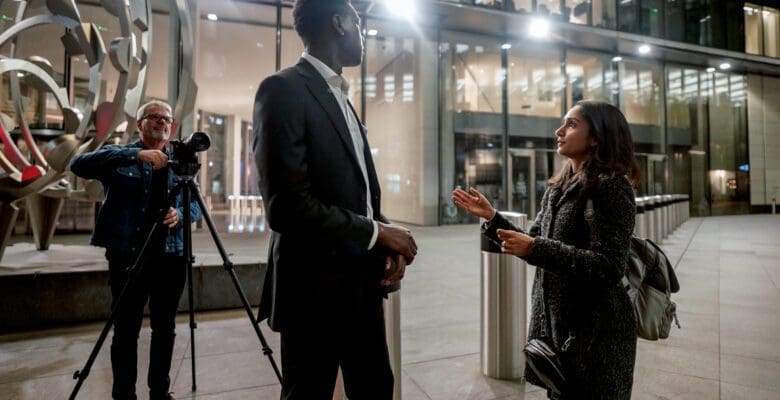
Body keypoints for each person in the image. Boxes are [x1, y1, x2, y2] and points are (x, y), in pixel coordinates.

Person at [252, 1, 418, 399]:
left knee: (377, 388)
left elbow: (355, 192)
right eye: (359, 23)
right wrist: (377, 232)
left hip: (361, 285)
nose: (364, 34)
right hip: (312, 292)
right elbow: (286, 207)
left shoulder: (341, 97)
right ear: (339, 22)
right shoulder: (283, 89)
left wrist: (382, 237)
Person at [452, 100, 640, 399]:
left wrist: (536, 248)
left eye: (572, 124)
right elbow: (533, 240)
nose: (559, 130)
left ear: (596, 137)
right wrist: (492, 217)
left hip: (597, 338)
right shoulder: (558, 187)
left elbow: (609, 266)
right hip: (559, 331)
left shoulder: (613, 187)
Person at [70, 100, 201, 400]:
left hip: (170, 256)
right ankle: (124, 395)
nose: (161, 122)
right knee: (126, 330)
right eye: (154, 117)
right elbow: (77, 164)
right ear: (139, 123)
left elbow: (195, 205)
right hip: (128, 256)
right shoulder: (120, 157)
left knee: (165, 329)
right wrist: (136, 154)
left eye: (166, 118)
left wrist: (181, 215)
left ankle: (159, 392)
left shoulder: (179, 162)